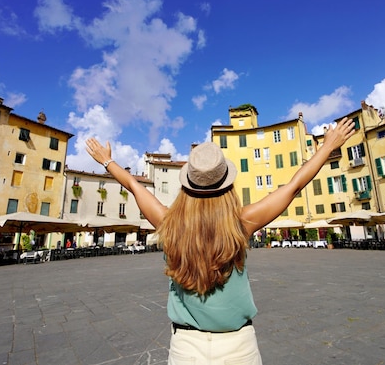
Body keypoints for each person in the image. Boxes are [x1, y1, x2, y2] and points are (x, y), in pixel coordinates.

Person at [85, 117, 354, 364]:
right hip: (239, 347)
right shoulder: (241, 223)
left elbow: (134, 185)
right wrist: (328, 145)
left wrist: (107, 161)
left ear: (187, 184)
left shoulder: (170, 224)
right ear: (226, 183)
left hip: (185, 349)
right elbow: (294, 185)